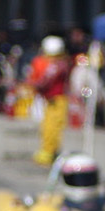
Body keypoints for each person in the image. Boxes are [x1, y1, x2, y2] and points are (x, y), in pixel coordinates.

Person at [29, 35, 71, 165]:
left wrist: (33, 84)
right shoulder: (60, 63)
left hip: (57, 100)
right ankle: (47, 150)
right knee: (47, 126)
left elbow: (44, 81)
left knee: (52, 128)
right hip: (52, 100)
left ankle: (49, 152)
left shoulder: (57, 65)